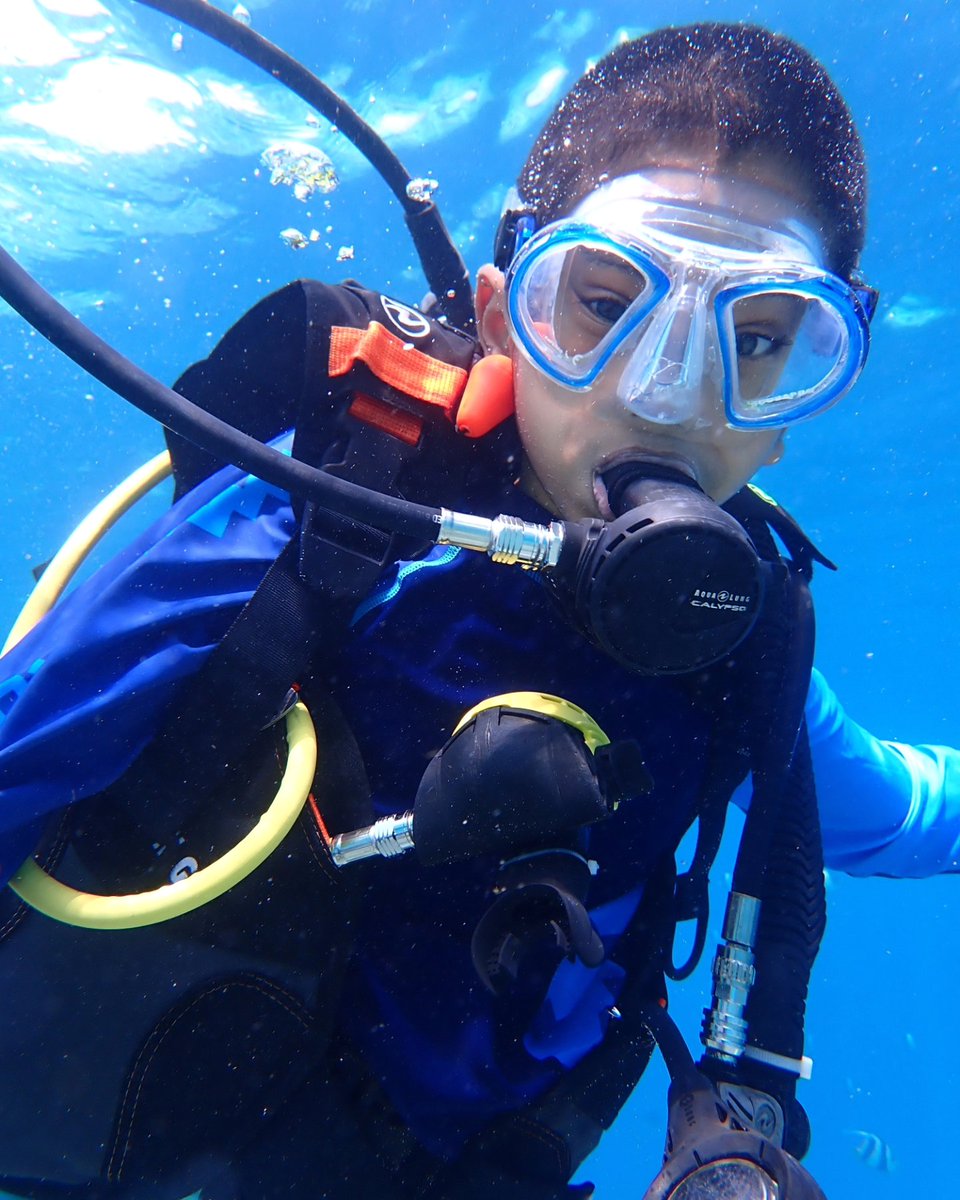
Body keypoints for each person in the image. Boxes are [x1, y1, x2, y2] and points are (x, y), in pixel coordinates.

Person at [0, 19, 957, 1200]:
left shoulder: (742, 642)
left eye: (760, 341)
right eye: (603, 305)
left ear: (805, 394)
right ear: (509, 312)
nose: (666, 396)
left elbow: (906, 814)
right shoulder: (310, 526)